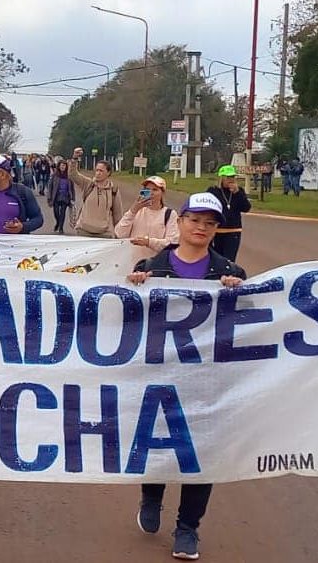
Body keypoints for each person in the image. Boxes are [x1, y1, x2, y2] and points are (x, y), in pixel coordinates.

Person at [128, 192, 246, 561]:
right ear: (178, 223)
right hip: (159, 376)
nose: (202, 228)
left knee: (201, 453)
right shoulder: (153, 269)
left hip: (207, 381)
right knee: (157, 442)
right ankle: (151, 495)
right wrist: (135, 288)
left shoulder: (230, 272)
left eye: (210, 223)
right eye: (195, 220)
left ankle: (188, 528)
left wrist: (239, 293)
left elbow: (252, 323)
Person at [114, 176, 179, 265]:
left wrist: (148, 242)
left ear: (162, 193)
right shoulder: (137, 211)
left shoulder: (170, 214)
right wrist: (133, 211)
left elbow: (172, 243)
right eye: (147, 190)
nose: (151, 193)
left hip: (155, 266)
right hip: (132, 265)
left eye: (155, 190)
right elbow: (120, 233)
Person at [68, 147, 122, 238]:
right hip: (84, 230)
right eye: (96, 170)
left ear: (108, 173)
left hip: (104, 233)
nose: (98, 173)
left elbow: (118, 214)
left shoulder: (113, 189)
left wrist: (119, 233)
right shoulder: (88, 184)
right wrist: (74, 158)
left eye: (101, 171)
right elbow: (73, 174)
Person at [206, 165, 251, 262]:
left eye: (232, 177)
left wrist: (237, 193)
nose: (231, 180)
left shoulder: (239, 191)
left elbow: (246, 208)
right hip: (216, 231)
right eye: (228, 177)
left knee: (229, 261)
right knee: (214, 260)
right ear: (221, 178)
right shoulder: (213, 191)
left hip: (233, 231)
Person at [47, 160, 74, 233]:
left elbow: (72, 188)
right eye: (61, 165)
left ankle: (61, 227)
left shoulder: (69, 176)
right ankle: (58, 223)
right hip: (56, 196)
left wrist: (73, 198)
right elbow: (50, 187)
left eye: (64, 166)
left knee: (63, 212)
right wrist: (49, 197)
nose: (63, 167)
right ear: (59, 166)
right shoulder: (54, 176)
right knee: (56, 212)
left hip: (65, 197)